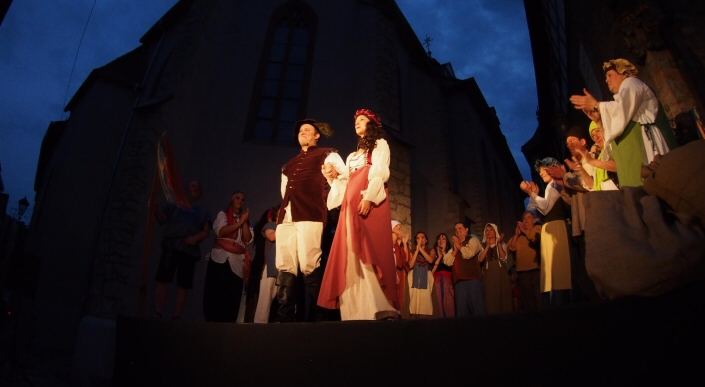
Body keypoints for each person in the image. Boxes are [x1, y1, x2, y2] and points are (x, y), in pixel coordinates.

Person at [318, 109, 399, 320]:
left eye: (362, 120)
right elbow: (346, 182)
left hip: (368, 198)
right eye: (355, 120)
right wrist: (334, 176)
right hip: (350, 203)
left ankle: (377, 304)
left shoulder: (380, 145)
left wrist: (369, 197)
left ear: (371, 124)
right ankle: (355, 309)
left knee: (368, 248)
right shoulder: (353, 156)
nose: (357, 123)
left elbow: (380, 172)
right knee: (351, 250)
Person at [275, 119, 345, 322]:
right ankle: (284, 315)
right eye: (300, 130)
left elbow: (343, 177)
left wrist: (333, 175)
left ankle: (320, 315)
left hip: (310, 213)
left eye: (308, 130)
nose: (303, 132)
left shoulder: (327, 154)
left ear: (317, 135)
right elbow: (284, 191)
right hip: (287, 215)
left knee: (309, 263)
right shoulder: (288, 165)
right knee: (285, 263)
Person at [569, 58, 678, 187]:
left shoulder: (632, 83)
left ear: (624, 73)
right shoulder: (621, 99)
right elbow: (612, 135)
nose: (607, 80)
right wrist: (599, 121)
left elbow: (622, 110)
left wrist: (596, 105)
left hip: (647, 146)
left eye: (610, 75)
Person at [153, 180, 211, 321]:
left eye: (197, 187)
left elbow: (206, 231)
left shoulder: (203, 212)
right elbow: (162, 219)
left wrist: (195, 238)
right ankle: (157, 313)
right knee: (163, 278)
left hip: (189, 250)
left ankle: (176, 316)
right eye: (192, 185)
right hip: (172, 245)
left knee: (183, 283)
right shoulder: (174, 206)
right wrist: (154, 207)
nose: (194, 188)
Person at [521, 158, 572, 308]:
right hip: (551, 227)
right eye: (540, 171)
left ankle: (560, 302)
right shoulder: (551, 186)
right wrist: (534, 195)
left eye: (544, 170)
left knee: (558, 267)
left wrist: (532, 194)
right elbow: (539, 209)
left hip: (556, 227)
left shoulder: (554, 184)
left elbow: (546, 207)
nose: (541, 173)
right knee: (553, 267)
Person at [203, 191, 253, 322]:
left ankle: (228, 324)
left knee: (232, 294)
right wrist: (239, 223)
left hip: (236, 261)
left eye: (242, 199)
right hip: (220, 258)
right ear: (232, 199)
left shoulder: (246, 220)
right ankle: (211, 322)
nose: (240, 201)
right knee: (216, 291)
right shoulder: (223, 214)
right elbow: (221, 231)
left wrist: (244, 222)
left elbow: (247, 239)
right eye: (237, 198)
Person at [442, 221, 486, 316]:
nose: (457, 231)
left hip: (473, 280)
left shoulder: (473, 240)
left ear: (466, 230)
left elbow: (469, 254)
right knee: (462, 312)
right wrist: (456, 249)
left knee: (478, 311)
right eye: (456, 229)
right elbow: (447, 261)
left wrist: (458, 245)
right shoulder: (455, 247)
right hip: (459, 283)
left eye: (460, 228)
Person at [507, 212, 542, 310]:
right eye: (524, 218)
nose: (526, 220)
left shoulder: (537, 229)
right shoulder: (520, 236)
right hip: (522, 273)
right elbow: (511, 248)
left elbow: (536, 239)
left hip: (536, 270)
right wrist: (517, 235)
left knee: (539, 299)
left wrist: (525, 230)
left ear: (534, 220)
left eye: (528, 218)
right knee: (527, 301)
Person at [479, 223, 513, 314]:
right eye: (487, 230)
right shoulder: (482, 246)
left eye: (491, 230)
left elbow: (504, 257)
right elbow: (480, 259)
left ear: (495, 231)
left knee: (503, 296)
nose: (489, 232)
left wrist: (498, 243)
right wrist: (487, 246)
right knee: (491, 298)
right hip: (489, 274)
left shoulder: (502, 244)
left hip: (500, 273)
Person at [253, 206, 279, 324]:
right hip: (271, 267)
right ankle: (259, 326)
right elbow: (272, 236)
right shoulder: (270, 226)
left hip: (283, 268)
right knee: (265, 297)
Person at [578, 121, 619, 191]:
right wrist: (579, 169)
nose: (596, 137)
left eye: (598, 131)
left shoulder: (615, 147)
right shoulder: (601, 156)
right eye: (593, 135)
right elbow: (593, 185)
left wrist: (592, 161)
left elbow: (618, 166)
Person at [407, 232, 435, 318]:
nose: (420, 239)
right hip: (414, 277)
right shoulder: (412, 251)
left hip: (426, 277)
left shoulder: (431, 250)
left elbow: (430, 260)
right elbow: (410, 265)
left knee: (426, 301)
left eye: (422, 237)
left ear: (426, 240)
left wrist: (421, 249)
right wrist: (417, 251)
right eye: (418, 238)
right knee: (415, 300)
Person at [431, 233, 454, 317]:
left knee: (448, 302)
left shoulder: (451, 251)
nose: (441, 240)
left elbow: (450, 264)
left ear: (447, 241)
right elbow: (432, 268)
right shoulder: (433, 251)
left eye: (443, 238)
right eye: (439, 239)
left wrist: (444, 252)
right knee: (437, 301)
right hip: (436, 279)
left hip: (448, 279)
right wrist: (439, 256)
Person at [392, 220, 411, 319]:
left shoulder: (400, 244)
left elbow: (405, 261)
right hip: (391, 273)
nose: (400, 229)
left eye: (401, 227)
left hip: (400, 273)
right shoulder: (390, 242)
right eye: (397, 227)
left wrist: (404, 243)